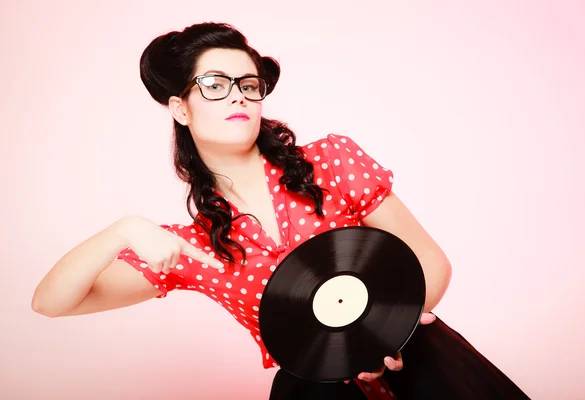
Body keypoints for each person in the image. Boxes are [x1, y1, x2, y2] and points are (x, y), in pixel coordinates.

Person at [31, 22, 529, 399]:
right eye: (215, 84)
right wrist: (124, 229)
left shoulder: (330, 162)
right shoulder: (195, 247)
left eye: (249, 84)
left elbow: (430, 263)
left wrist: (381, 339)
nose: (239, 96)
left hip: (422, 364)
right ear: (180, 109)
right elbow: (51, 302)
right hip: (316, 391)